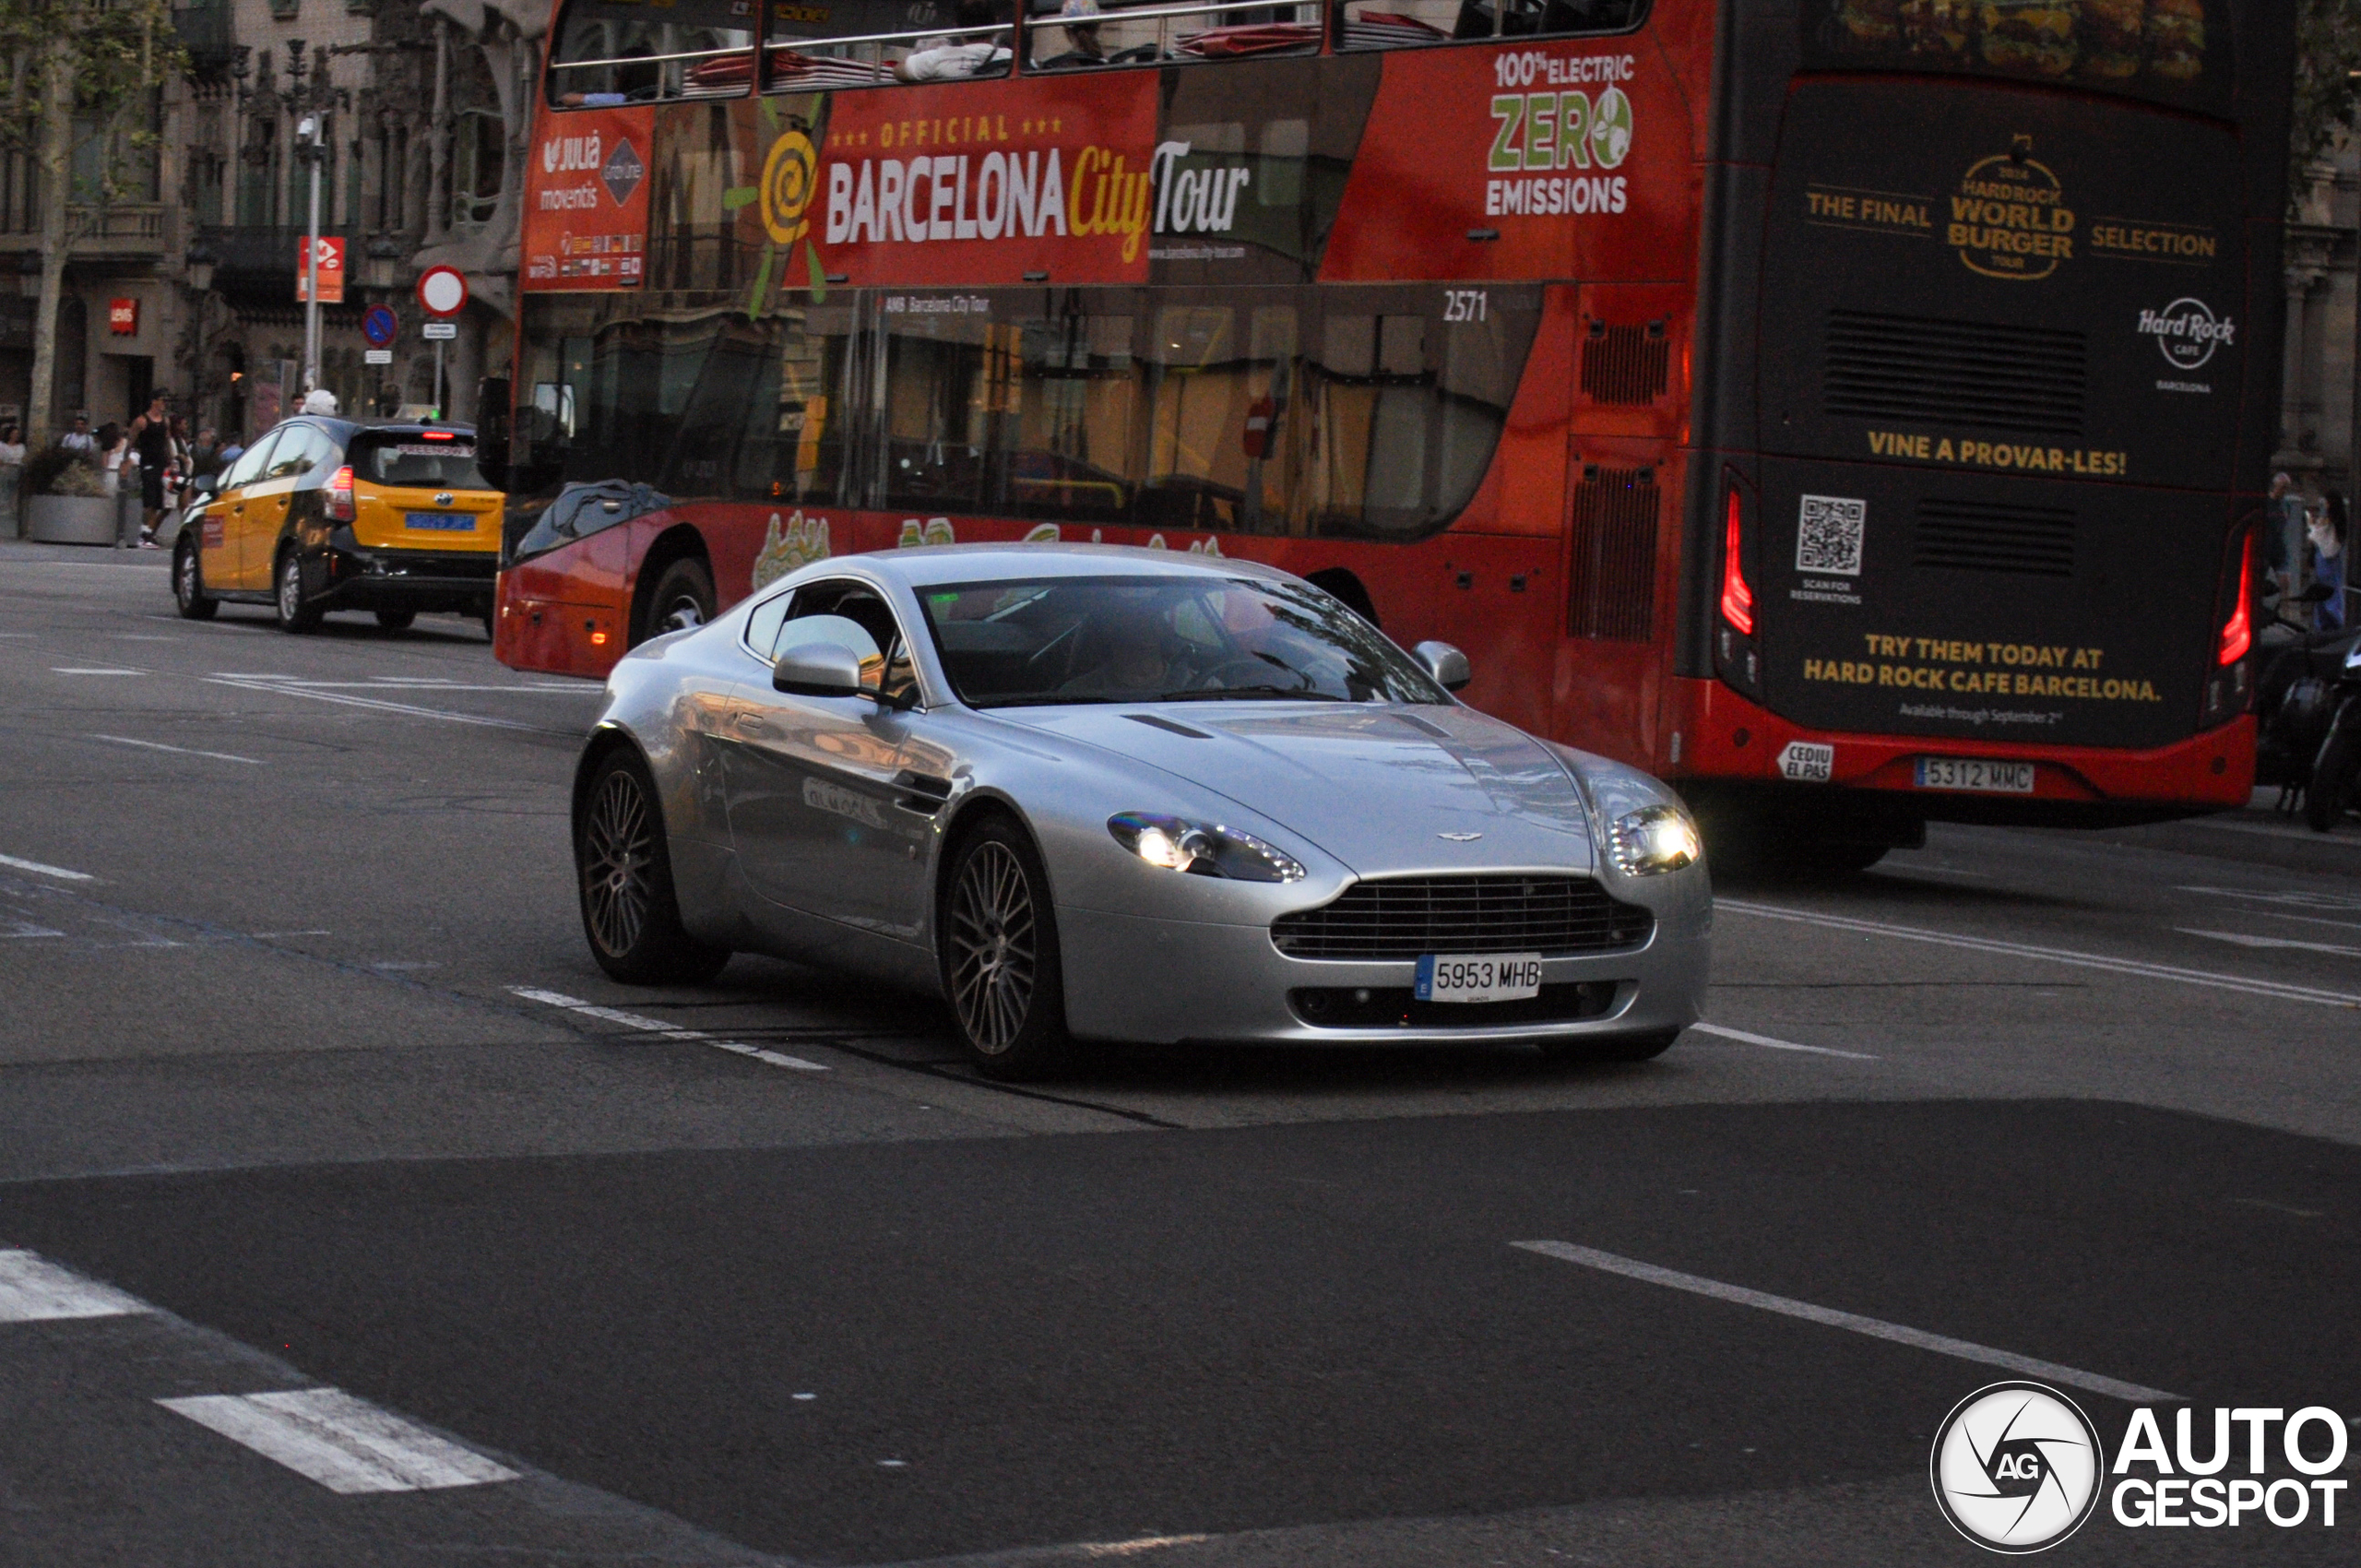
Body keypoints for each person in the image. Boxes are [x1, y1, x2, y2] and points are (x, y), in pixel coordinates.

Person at [898, 0, 1011, 79]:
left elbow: (899, 71)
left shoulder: (940, 57)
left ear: (957, 26)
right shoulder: (1014, 59)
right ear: (996, 24)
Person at [129, 392, 172, 547]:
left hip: (160, 464)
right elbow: (131, 440)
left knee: (158, 502)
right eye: (162, 400)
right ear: (154, 401)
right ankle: (142, 534)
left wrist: (171, 460)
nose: (164, 404)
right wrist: (126, 459)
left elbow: (167, 442)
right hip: (147, 463)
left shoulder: (165, 422)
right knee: (149, 499)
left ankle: (148, 533)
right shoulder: (142, 421)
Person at [2312, 491, 2348, 632]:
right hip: (2327, 558)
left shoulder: (2332, 520)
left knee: (2329, 594)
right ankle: (2326, 624)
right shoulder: (2335, 519)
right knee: (2327, 592)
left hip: (2327, 557)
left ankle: (2335, 623)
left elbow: (2317, 535)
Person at [2267, 471, 2306, 600]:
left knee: (2285, 582)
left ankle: (2285, 611)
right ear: (2275, 486)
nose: (2284, 491)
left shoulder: (2286, 504)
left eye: (2286, 488)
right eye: (2282, 487)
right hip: (2266, 546)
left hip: (2279, 547)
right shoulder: (2266, 502)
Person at [0, 422, 23, 539]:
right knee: (4, 491)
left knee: (15, 492)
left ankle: (12, 510)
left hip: (17, 469)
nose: (15, 436)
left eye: (17, 434)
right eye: (13, 433)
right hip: (6, 469)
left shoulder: (21, 447)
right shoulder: (2, 446)